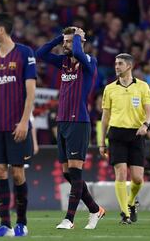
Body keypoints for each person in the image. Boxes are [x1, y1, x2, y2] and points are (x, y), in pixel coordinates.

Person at [36, 26, 105, 230]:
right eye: (64, 41)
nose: (66, 45)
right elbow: (40, 54)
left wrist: (77, 38)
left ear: (80, 42)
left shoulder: (89, 62)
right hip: (63, 121)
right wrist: (59, 37)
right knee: (68, 173)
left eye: (69, 41)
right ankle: (95, 209)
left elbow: (77, 51)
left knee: (75, 171)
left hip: (79, 122)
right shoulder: (64, 63)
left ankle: (69, 219)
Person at [0, 13, 36, 237]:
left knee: (18, 173)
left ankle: (22, 223)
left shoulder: (24, 53)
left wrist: (24, 122)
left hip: (16, 126)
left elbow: (31, 91)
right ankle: (5, 224)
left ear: (1, 30)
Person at [100, 53, 150, 224]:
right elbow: (105, 117)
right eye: (116, 63)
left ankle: (131, 202)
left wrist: (145, 125)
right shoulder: (109, 88)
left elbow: (149, 110)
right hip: (116, 133)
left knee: (138, 178)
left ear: (129, 66)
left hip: (136, 134)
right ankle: (125, 214)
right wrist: (102, 142)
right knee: (121, 173)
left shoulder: (143, 87)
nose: (117, 66)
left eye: (120, 63)